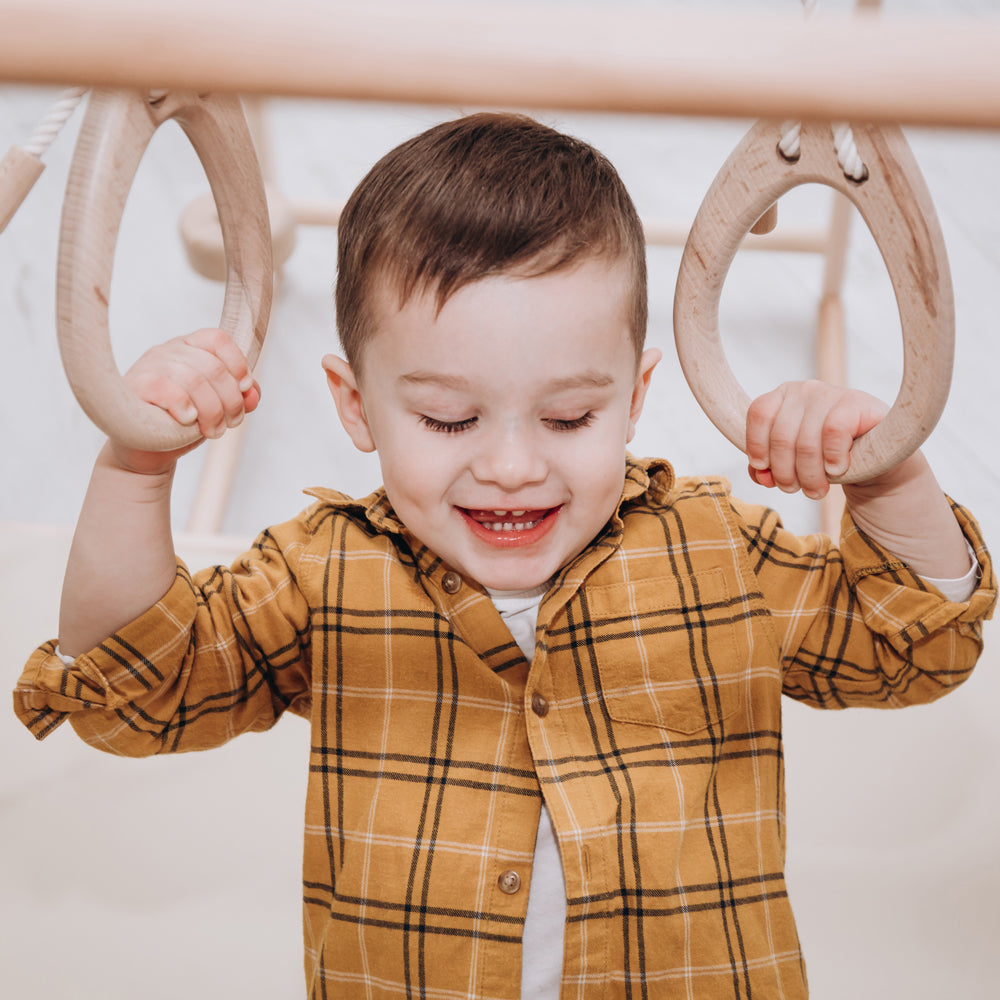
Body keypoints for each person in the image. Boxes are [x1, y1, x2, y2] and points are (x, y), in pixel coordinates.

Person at [14, 112, 996, 998]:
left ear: (634, 396)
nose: (513, 465)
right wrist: (138, 461)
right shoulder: (322, 569)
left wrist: (879, 475)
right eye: (447, 418)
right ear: (356, 406)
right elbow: (132, 686)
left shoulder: (715, 551)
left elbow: (917, 643)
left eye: (570, 414)